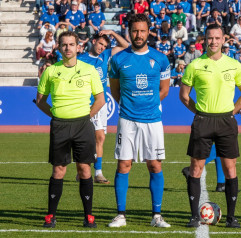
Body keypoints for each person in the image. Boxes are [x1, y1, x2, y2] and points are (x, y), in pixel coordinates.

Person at [179, 24, 241, 228]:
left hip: (226, 121)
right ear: (204, 40)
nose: (213, 42)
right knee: (196, 168)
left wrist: (233, 111)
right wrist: (199, 113)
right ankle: (194, 216)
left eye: (217, 38)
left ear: (223, 40)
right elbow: (184, 96)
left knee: (230, 169)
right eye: (210, 38)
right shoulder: (194, 65)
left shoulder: (234, 65)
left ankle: (231, 217)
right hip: (203, 120)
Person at [107, 13, 171, 228]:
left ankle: (157, 215)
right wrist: (130, 104)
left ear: (148, 32)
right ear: (129, 31)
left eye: (143, 30)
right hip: (127, 119)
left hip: (153, 120)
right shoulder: (118, 59)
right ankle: (121, 215)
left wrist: (149, 103)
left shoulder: (161, 58)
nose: (139, 34)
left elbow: (164, 90)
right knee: (124, 164)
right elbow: (115, 90)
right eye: (135, 30)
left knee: (154, 165)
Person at [36, 31, 105, 228]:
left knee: (84, 169)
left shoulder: (89, 69)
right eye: (64, 44)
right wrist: (57, 116)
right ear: (58, 47)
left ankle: (88, 215)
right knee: (59, 169)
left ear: (78, 47)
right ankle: (51, 215)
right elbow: (40, 101)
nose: (68, 48)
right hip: (60, 126)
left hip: (83, 125)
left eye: (71, 44)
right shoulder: (51, 71)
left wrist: (86, 116)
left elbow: (100, 99)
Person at [77, 30, 129, 184]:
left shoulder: (106, 55)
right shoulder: (81, 59)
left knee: (100, 137)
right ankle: (81, 170)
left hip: (100, 102)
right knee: (84, 140)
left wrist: (112, 32)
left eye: (104, 45)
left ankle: (98, 173)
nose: (102, 47)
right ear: (93, 41)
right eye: (100, 43)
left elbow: (126, 47)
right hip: (84, 102)